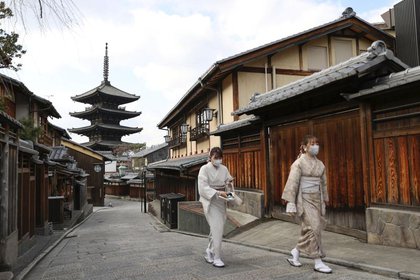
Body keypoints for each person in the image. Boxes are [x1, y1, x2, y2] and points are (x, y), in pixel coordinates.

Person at [281, 135, 332, 274]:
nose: (315, 146)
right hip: (304, 199)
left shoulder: (320, 164)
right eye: (312, 144)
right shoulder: (298, 163)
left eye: (317, 143)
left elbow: (323, 183)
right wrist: (290, 202)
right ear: (304, 147)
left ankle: (296, 252)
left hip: (317, 198)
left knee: (309, 229)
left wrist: (325, 197)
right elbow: (293, 182)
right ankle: (317, 261)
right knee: (313, 227)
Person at [198, 147, 233, 268]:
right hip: (210, 201)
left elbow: (228, 180)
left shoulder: (224, 168)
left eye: (219, 158)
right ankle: (217, 257)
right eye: (215, 158)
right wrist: (218, 192)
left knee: (218, 226)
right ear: (210, 157)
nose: (218, 160)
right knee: (217, 227)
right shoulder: (204, 169)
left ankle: (209, 251)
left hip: (221, 201)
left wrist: (229, 183)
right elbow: (202, 188)